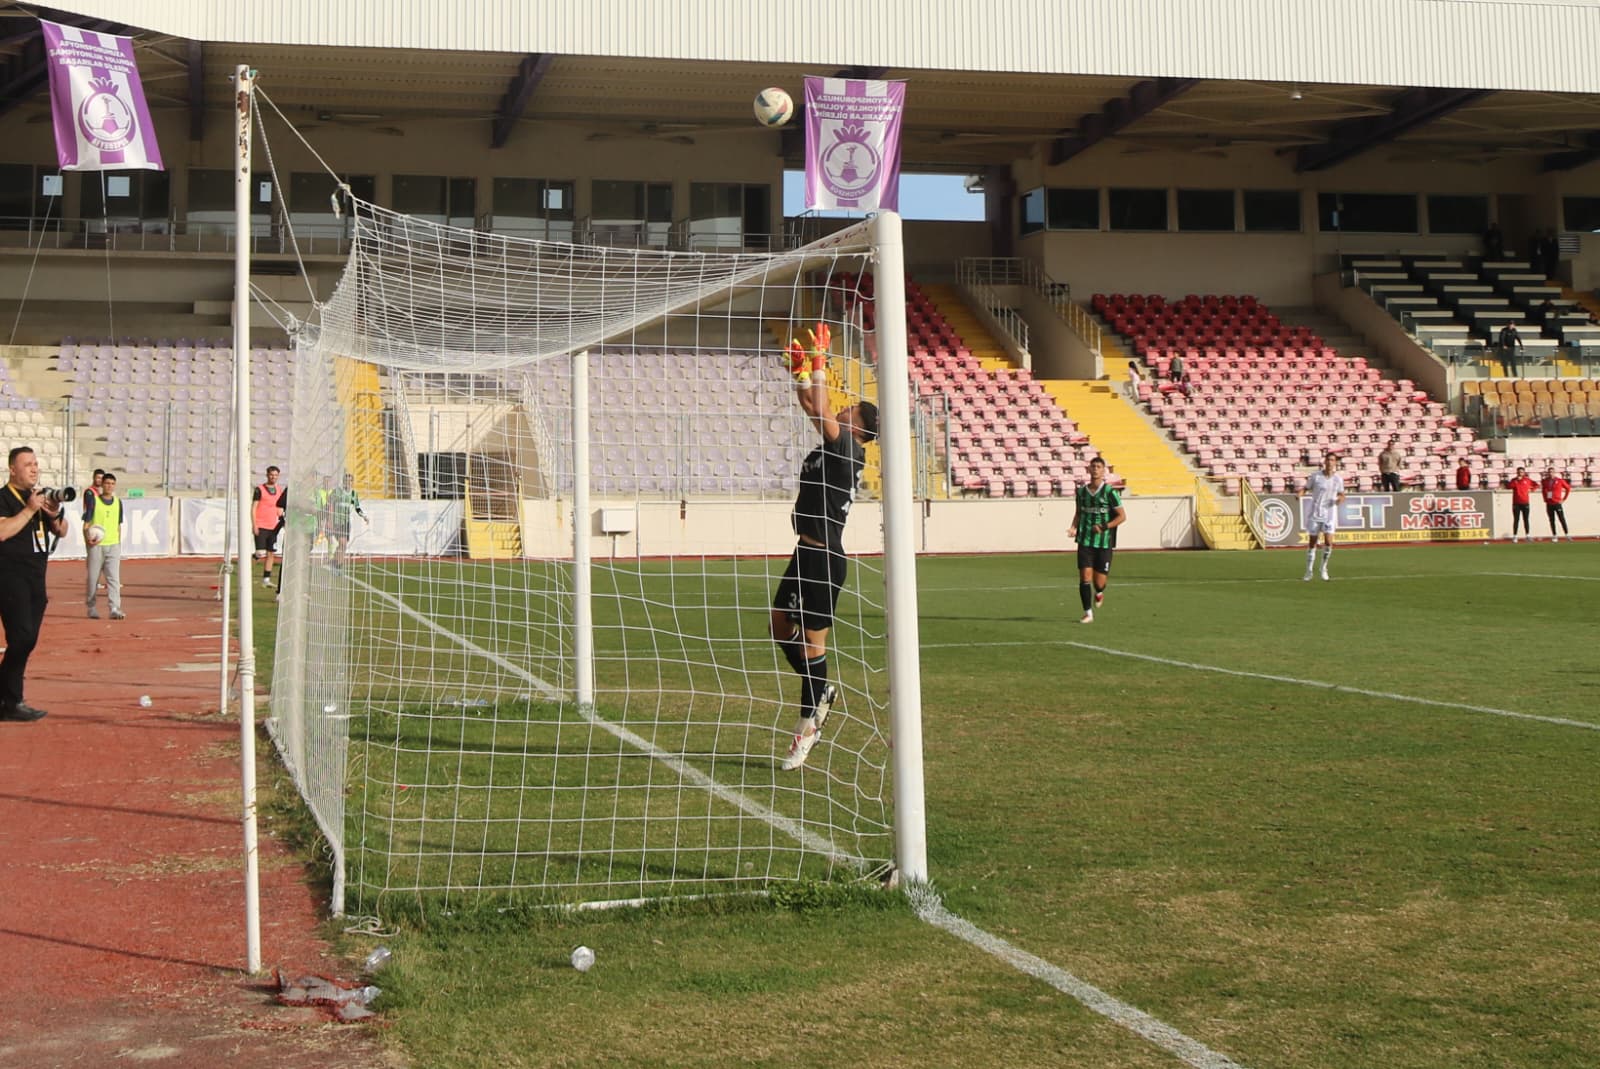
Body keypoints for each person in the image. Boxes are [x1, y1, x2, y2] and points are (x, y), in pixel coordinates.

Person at [768, 321, 878, 772]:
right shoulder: (832, 445)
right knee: (778, 624)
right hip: (805, 552)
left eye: (852, 409)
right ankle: (822, 690)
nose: (844, 409)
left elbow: (822, 404)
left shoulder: (850, 451)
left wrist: (819, 361)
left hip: (825, 559)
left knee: (814, 648)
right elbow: (814, 405)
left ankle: (807, 729)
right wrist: (799, 372)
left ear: (861, 429)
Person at [0, 446, 69, 721]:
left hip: (36, 578)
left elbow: (63, 531)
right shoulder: (4, 498)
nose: (34, 468)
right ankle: (13, 701)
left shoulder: (38, 498)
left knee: (27, 641)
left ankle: (6, 699)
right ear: (12, 469)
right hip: (8, 577)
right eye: (27, 464)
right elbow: (3, 532)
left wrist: (52, 513)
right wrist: (29, 510)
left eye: (36, 463)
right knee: (22, 637)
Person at [1070, 455, 1125, 624]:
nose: (1095, 469)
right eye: (1093, 466)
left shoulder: (1110, 492)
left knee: (1099, 582)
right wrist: (1073, 527)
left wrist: (1103, 527)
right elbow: (1079, 513)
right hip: (1084, 540)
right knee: (1084, 576)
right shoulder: (1081, 492)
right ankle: (1088, 613)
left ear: (1103, 471)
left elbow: (1122, 516)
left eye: (1098, 467)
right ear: (1088, 470)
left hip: (1103, 542)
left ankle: (1099, 592)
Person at [82, 471, 125, 620]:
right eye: (107, 483)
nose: (110, 486)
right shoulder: (94, 501)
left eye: (112, 484)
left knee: (114, 579)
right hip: (96, 546)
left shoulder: (118, 502)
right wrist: (88, 539)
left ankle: (114, 607)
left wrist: (119, 543)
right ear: (102, 485)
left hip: (113, 545)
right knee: (93, 578)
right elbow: (86, 524)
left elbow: (119, 525)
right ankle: (91, 607)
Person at [1301, 453, 1345, 582]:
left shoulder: (1338, 479)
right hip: (1315, 512)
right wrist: (1300, 494)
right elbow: (1305, 488)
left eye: (1332, 460)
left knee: (1328, 542)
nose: (1330, 462)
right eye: (1328, 459)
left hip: (1330, 514)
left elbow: (1342, 494)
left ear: (1335, 463)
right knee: (1312, 542)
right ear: (1324, 461)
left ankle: (1323, 568)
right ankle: (1309, 570)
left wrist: (1339, 500)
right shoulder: (1316, 476)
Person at [325, 473, 368, 573]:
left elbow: (357, 508)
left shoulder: (354, 494)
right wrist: (330, 520)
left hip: (346, 523)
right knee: (342, 543)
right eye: (346, 481)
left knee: (343, 545)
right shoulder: (337, 492)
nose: (348, 483)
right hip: (336, 522)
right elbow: (330, 505)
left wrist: (364, 516)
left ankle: (337, 564)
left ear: (352, 482)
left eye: (350, 481)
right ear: (343, 482)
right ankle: (337, 565)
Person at [251, 465, 287, 585]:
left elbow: (279, 506)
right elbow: (254, 507)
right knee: (260, 553)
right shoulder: (259, 489)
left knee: (271, 552)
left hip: (273, 526)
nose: (273, 477)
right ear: (267, 475)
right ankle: (248, 567)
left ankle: (266, 579)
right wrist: (254, 524)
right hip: (261, 524)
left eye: (276, 475)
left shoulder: (279, 489)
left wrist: (282, 518)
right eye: (271, 475)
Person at [1540, 466, 1571, 542]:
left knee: (1561, 519)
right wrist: (1545, 499)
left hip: (1557, 502)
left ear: (1554, 473)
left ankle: (1567, 534)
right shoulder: (1545, 481)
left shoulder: (1559, 480)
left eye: (1552, 472)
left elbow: (1568, 488)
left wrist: (1563, 499)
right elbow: (1543, 490)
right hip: (1549, 503)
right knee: (1552, 520)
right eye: (1549, 472)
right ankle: (1554, 535)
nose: (1551, 474)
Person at [1506, 465, 1536, 542]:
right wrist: (1517, 481)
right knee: (1516, 519)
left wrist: (1532, 489)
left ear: (1524, 473)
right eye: (1519, 472)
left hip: (1525, 502)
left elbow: (1536, 484)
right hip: (1516, 503)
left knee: (1526, 519)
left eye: (1522, 472)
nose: (1520, 473)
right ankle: (1515, 536)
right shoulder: (1514, 480)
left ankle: (1527, 535)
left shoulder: (1527, 480)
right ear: (1517, 473)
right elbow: (1509, 486)